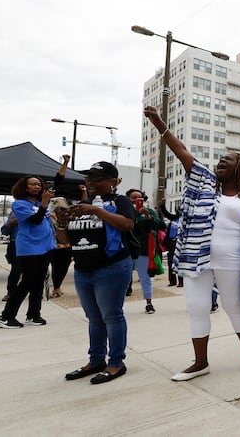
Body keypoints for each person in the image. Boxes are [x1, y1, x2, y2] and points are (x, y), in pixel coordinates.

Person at [143, 105, 240, 381]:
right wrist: (159, 124)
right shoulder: (203, 182)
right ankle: (200, 362)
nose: (221, 162)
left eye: (228, 160)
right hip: (196, 258)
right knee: (197, 307)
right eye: (220, 160)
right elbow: (183, 152)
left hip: (233, 260)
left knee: (234, 307)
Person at [60, 161, 135, 384]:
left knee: (111, 316)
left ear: (113, 182)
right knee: (93, 317)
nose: (91, 183)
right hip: (83, 270)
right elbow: (65, 241)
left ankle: (116, 363)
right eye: (89, 179)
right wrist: (63, 223)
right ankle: (96, 360)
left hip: (111, 267)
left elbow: (127, 225)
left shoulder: (119, 201)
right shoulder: (81, 205)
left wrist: (96, 210)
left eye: (97, 179)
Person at [0, 175, 56, 328]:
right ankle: (6, 316)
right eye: (33, 184)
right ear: (25, 187)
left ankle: (33, 315)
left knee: (38, 281)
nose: (37, 186)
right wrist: (44, 203)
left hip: (45, 246)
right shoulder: (19, 204)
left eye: (39, 184)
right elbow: (35, 220)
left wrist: (65, 164)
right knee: (28, 281)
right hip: (29, 247)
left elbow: (58, 181)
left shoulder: (39, 202)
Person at [126, 189, 164, 314]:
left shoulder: (149, 212)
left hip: (143, 250)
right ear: (127, 198)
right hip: (126, 250)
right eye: (133, 198)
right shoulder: (124, 211)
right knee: (122, 278)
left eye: (140, 198)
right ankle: (118, 304)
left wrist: (148, 217)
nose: (136, 201)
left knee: (145, 278)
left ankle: (149, 303)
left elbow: (159, 226)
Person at [49, 154, 73, 298]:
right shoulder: (51, 197)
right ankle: (44, 288)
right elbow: (58, 178)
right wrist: (65, 163)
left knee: (63, 264)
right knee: (51, 264)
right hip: (50, 238)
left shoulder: (72, 203)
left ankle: (57, 287)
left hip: (65, 239)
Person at [159, 199, 183, 288]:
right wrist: (162, 205)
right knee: (170, 262)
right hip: (172, 243)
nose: (179, 211)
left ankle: (181, 281)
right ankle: (172, 281)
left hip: (180, 243)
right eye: (178, 210)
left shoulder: (185, 220)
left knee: (179, 263)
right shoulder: (174, 218)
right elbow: (166, 214)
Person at [0, 211, 19, 302]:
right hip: (15, 244)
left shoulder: (35, 213)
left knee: (32, 270)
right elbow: (4, 232)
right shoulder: (14, 216)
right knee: (16, 270)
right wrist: (10, 224)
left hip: (31, 244)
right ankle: (11, 293)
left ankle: (34, 293)